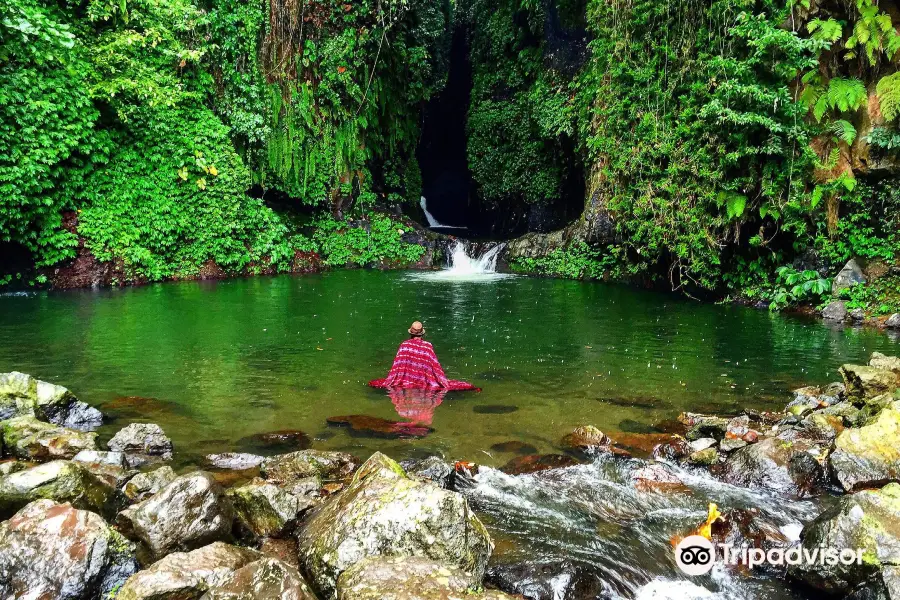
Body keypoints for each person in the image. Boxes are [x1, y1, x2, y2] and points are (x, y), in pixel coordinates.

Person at [368, 321, 479, 391]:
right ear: (422, 333)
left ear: (410, 333)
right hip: (425, 383)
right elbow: (435, 367)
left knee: (372, 383)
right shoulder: (427, 346)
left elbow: (397, 367)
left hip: (405, 382)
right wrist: (440, 380)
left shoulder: (404, 345)